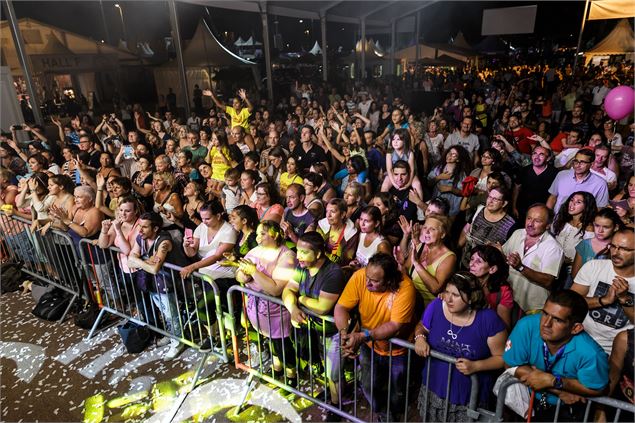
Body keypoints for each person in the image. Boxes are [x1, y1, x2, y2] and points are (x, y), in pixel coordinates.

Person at [503, 290, 609, 422]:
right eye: (545, 313)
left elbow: (597, 389)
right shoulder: (527, 325)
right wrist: (557, 389)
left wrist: (554, 381)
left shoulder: (591, 353)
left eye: (557, 320)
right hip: (525, 401)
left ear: (575, 328)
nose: (546, 324)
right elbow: (511, 364)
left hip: (567, 411)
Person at [334, 253, 416, 422]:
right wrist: (345, 333)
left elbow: (395, 326)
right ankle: (383, 412)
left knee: (398, 390)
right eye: (367, 277)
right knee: (368, 384)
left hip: (398, 349)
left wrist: (363, 336)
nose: (367, 283)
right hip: (369, 344)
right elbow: (341, 307)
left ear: (389, 281)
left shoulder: (405, 288)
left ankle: (394, 412)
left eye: (375, 281)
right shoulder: (360, 276)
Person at [414, 272, 507, 421]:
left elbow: (502, 357)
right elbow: (422, 327)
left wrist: (476, 366)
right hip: (433, 387)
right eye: (447, 292)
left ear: (471, 298)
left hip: (468, 397)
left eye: (456, 295)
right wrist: (419, 338)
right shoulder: (437, 306)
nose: (448, 299)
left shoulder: (488, 320)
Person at [282, 231, 346, 408]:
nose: (298, 256)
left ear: (318, 254)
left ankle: (337, 406)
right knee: (327, 368)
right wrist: (293, 308)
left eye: (303, 252)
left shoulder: (333, 273)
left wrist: (300, 299)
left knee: (333, 372)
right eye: (298, 251)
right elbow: (288, 290)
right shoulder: (302, 267)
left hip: (334, 332)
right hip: (315, 329)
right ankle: (334, 393)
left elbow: (322, 306)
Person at [236, 221, 297, 379]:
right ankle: (277, 368)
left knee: (282, 346)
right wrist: (245, 274)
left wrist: (253, 272)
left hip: (276, 312)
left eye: (262, 234)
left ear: (275, 235)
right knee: (271, 342)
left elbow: (275, 289)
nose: (258, 238)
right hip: (256, 308)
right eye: (257, 234)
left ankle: (291, 375)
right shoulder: (255, 251)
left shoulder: (287, 256)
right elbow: (239, 275)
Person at [127, 212, 190, 361]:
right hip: (153, 282)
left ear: (155, 228)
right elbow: (130, 260)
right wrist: (146, 261)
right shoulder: (141, 238)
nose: (140, 230)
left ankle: (178, 342)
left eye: (144, 227)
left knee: (171, 313)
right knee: (163, 311)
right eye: (139, 226)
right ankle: (172, 335)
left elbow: (154, 268)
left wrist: (139, 261)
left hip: (169, 282)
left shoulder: (164, 242)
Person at [571, 229, 635, 354]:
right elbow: (570, 303)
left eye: (624, 249)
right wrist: (604, 300)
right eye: (613, 246)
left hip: (615, 352)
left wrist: (624, 299)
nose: (615, 252)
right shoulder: (593, 266)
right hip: (580, 339)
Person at [501, 204, 564, 314]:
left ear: (548, 225)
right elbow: (505, 257)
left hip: (531, 307)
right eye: (529, 218)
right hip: (509, 299)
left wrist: (520, 267)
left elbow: (548, 281)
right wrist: (498, 251)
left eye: (537, 221)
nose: (530, 224)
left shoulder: (553, 248)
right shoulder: (518, 233)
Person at [400, 213, 456, 309]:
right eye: (425, 227)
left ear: (442, 234)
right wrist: (399, 264)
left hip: (427, 307)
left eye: (432, 229)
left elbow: (435, 289)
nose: (427, 232)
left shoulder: (449, 257)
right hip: (409, 298)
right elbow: (404, 271)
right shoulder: (420, 246)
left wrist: (417, 264)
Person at [458, 185, 516, 269]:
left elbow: (509, 253)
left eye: (495, 199)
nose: (490, 201)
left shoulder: (510, 224)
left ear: (504, 203)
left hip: (485, 269)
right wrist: (458, 246)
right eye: (489, 197)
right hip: (466, 260)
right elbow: (467, 228)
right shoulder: (479, 209)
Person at [181, 200, 237, 280]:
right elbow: (192, 253)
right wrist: (186, 246)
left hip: (224, 275)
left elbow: (216, 256)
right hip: (205, 272)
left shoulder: (229, 231)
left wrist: (192, 267)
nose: (204, 222)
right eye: (202, 218)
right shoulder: (201, 227)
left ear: (218, 216)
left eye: (207, 219)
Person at [547, 149, 609, 213]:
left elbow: (599, 208)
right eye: (576, 161)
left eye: (582, 162)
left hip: (582, 222)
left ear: (591, 164)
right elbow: (552, 197)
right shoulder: (562, 175)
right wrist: (548, 216)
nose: (578, 165)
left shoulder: (600, 184)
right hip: (557, 218)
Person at [468, 245, 513, 328]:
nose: (471, 264)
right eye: (472, 259)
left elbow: (504, 326)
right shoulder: (463, 280)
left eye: (478, 261)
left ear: (492, 269)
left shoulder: (503, 291)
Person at [571, 207, 623, 279]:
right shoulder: (585, 244)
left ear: (616, 227)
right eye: (597, 225)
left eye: (606, 227)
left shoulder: (619, 248)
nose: (600, 230)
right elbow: (575, 275)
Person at [551, 191, 597, 271]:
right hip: (553, 263)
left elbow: (587, 255)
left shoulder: (588, 229)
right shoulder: (562, 221)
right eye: (572, 200)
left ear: (586, 206)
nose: (572, 204)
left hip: (571, 269)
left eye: (578, 202)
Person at [513, 145, 559, 221]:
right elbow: (516, 189)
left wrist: (547, 213)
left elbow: (553, 196)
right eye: (535, 153)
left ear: (548, 158)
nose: (537, 157)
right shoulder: (524, 170)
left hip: (540, 213)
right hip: (522, 210)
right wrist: (514, 207)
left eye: (541, 154)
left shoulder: (555, 173)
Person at [316, 198, 358, 265]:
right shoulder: (322, 226)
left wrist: (339, 249)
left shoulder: (351, 234)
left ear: (342, 214)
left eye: (332, 212)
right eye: (327, 211)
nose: (328, 215)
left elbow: (347, 259)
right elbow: (314, 247)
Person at [280, 183, 315, 247]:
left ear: (301, 198)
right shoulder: (287, 211)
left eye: (292, 197)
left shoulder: (310, 219)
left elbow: (305, 248)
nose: (287, 201)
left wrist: (291, 233)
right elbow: (282, 234)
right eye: (287, 197)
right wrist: (283, 234)